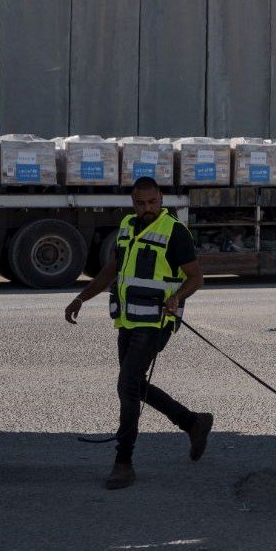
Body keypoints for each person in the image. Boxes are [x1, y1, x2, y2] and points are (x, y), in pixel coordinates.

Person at [65, 176, 211, 489]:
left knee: (127, 386)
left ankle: (123, 461)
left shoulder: (175, 232)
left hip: (156, 323)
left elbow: (196, 278)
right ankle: (192, 422)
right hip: (128, 321)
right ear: (133, 202)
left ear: (161, 199)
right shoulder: (127, 226)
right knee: (135, 385)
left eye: (153, 203)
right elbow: (111, 270)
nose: (147, 209)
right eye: (141, 203)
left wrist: (177, 297)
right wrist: (82, 297)